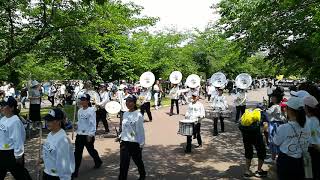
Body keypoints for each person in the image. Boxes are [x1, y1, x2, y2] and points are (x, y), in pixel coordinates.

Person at [273, 97, 311, 180]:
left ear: (289, 110)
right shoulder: (307, 125)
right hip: (301, 160)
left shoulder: (284, 127)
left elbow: (276, 142)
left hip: (286, 161)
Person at [0, 96, 32, 180]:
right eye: (1, 105)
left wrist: (18, 155)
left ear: (12, 108)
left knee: (21, 175)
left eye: (4, 106)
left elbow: (18, 139)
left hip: (11, 153)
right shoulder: (3, 119)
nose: (2, 107)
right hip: (2, 152)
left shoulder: (15, 121)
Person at [73, 94, 102, 178]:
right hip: (80, 135)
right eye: (81, 99)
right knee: (77, 153)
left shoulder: (91, 110)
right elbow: (80, 122)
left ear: (88, 101)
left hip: (88, 135)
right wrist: (76, 124)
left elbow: (93, 123)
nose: (82, 101)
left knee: (91, 150)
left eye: (84, 99)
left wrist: (91, 134)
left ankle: (98, 161)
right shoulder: (79, 110)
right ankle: (75, 171)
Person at [118, 95, 146, 180]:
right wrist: (120, 136)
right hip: (124, 142)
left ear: (134, 103)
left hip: (134, 143)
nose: (128, 103)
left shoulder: (138, 115)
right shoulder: (125, 113)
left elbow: (140, 131)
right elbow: (125, 128)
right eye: (127, 101)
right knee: (123, 164)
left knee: (138, 161)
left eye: (130, 101)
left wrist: (141, 144)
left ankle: (142, 174)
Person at [42, 108, 75, 180]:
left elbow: (64, 165)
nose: (47, 123)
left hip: (57, 176)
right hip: (47, 172)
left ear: (58, 121)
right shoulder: (50, 134)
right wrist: (43, 159)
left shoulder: (63, 140)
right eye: (47, 120)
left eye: (50, 120)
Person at [239, 106, 267, 178]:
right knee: (261, 151)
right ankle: (259, 171)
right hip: (257, 135)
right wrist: (264, 135)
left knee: (248, 151)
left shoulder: (247, 113)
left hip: (246, 135)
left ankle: (247, 171)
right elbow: (265, 125)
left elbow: (241, 122)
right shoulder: (262, 113)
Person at [265, 89, 286, 163]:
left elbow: (268, 112)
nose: (271, 98)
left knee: (273, 140)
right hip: (278, 124)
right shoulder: (280, 105)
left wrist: (264, 108)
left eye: (273, 97)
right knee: (277, 141)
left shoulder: (275, 106)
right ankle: (275, 157)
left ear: (276, 98)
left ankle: (273, 157)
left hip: (274, 125)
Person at [303, 95, 320, 179]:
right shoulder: (308, 118)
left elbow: (315, 142)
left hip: (314, 151)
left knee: (313, 172)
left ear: (307, 107)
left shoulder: (313, 121)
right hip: (311, 150)